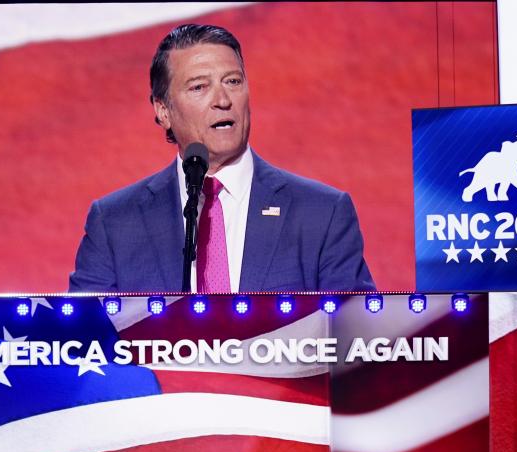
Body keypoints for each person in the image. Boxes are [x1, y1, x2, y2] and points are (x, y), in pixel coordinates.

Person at [69, 23, 375, 293]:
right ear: (163, 111)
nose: (223, 100)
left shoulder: (321, 214)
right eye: (200, 87)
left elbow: (359, 341)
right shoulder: (115, 223)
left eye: (233, 81)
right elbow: (82, 345)